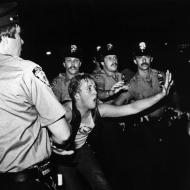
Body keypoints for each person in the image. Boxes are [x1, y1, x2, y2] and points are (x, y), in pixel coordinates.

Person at [52, 71, 172, 190]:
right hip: (63, 157)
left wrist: (161, 95)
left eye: (94, 87)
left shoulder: (99, 110)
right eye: (89, 89)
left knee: (103, 185)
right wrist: (50, 144)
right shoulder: (66, 111)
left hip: (82, 151)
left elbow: (132, 108)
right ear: (76, 95)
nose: (95, 92)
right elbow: (41, 122)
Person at [0, 2, 72, 190]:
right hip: (30, 181)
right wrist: (51, 142)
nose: (22, 41)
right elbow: (63, 134)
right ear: (6, 37)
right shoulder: (26, 70)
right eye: (19, 35)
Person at [114, 41, 184, 190]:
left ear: (151, 59)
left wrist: (177, 108)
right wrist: (131, 116)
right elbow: (116, 106)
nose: (143, 60)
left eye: (146, 56)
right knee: (150, 168)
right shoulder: (131, 84)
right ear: (135, 61)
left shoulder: (161, 75)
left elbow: (175, 91)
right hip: (146, 130)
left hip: (166, 125)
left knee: (170, 166)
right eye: (140, 57)